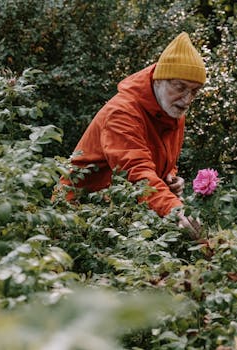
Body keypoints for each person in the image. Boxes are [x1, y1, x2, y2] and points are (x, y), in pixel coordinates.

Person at [56, 32, 204, 234]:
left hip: (119, 214)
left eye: (194, 92)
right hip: (77, 217)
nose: (187, 100)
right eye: (180, 87)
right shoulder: (122, 113)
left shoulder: (173, 110)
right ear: (158, 80)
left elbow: (164, 161)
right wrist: (174, 209)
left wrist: (170, 177)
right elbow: (136, 173)